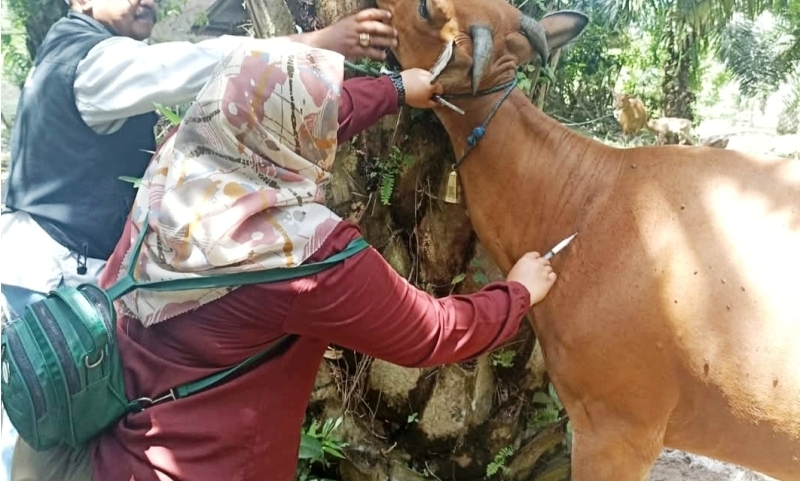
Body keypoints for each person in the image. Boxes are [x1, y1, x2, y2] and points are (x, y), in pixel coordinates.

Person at [10, 34, 558, 481]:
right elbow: (432, 333)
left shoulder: (180, 160)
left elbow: (287, 115)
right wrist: (518, 294)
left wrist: (395, 88)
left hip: (108, 444)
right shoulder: (302, 256)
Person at [0, 0, 429, 481]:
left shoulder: (64, 51)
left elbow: (257, 115)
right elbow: (206, 71)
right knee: (46, 410)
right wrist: (323, 41)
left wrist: (387, 89)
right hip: (57, 268)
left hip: (37, 260)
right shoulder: (96, 63)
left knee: (48, 417)